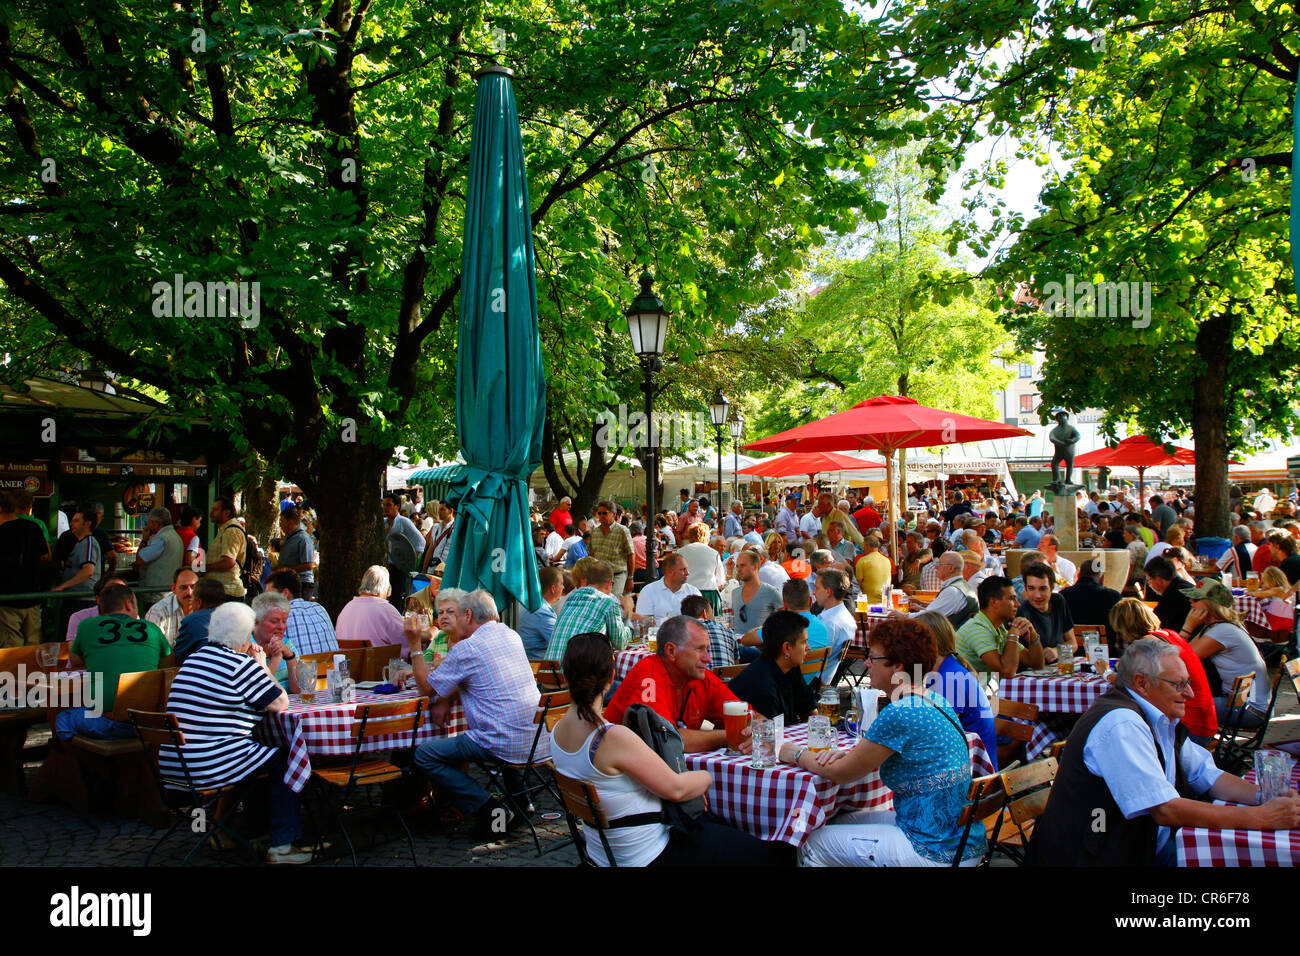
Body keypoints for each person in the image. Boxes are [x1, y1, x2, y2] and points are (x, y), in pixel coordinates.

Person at [1026, 638, 1300, 866]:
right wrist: (1260, 817)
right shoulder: (1122, 723)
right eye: (1179, 684)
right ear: (1142, 683)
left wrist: (1266, 797)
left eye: (1188, 682)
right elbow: (1165, 810)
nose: (1190, 693)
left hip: (1137, 847)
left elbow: (1206, 774)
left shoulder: (1157, 718)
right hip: (1096, 858)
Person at [548, 634, 793, 867]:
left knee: (721, 831)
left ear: (566, 676)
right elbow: (676, 789)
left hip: (605, 852)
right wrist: (707, 777)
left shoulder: (556, 732)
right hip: (650, 852)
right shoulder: (611, 737)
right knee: (774, 853)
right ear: (612, 677)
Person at [789, 617, 985, 866]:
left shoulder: (901, 711)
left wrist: (794, 754)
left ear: (897, 666)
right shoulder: (935, 700)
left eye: (874, 658)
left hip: (933, 849)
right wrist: (848, 758)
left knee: (810, 843)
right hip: (959, 839)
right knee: (836, 820)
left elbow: (841, 774)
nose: (867, 664)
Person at [159, 601, 313, 864]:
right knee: (287, 758)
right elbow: (281, 703)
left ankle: (252, 831)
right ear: (244, 636)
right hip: (210, 765)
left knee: (260, 753)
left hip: (174, 765)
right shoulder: (239, 664)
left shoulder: (194, 659)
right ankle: (282, 846)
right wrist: (262, 665)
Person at [409, 589, 541, 838]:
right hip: (536, 739)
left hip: (501, 742)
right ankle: (521, 802)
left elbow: (427, 688)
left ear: (468, 615)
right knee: (505, 722)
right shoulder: (512, 635)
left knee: (424, 754)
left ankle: (491, 808)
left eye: (456, 614)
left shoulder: (468, 648)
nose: (453, 619)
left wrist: (415, 643)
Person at [605, 615, 741, 751]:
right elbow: (666, 740)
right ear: (671, 651)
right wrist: (730, 736)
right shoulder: (649, 676)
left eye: (707, 649)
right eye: (699, 649)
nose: (708, 658)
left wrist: (746, 732)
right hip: (616, 767)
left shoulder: (702, 678)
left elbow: (750, 720)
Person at [57, 583, 172, 741]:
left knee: (63, 718)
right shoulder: (151, 628)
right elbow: (168, 665)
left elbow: (75, 660)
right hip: (151, 725)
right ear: (128, 604)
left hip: (106, 722)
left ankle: (84, 764)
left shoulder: (86, 626)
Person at [1107, 598, 1217, 741]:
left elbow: (1127, 681)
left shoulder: (1147, 645)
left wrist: (1106, 672)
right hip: (1205, 720)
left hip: (1188, 728)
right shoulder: (1169, 634)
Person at [1180, 581, 1270, 730]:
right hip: (1245, 703)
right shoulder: (1220, 627)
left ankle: (1192, 748)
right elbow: (1183, 653)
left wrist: (1187, 627)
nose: (1190, 601)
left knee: (1180, 704)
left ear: (1210, 604)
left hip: (1247, 709)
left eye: (1195, 599)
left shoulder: (1222, 631)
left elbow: (1180, 660)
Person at [917, 610, 998, 769]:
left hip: (974, 773)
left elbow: (941, 733)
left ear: (929, 645)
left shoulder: (951, 677)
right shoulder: (946, 668)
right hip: (964, 761)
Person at [727, 609, 817, 723]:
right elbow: (770, 733)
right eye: (804, 642)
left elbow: (809, 711)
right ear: (787, 648)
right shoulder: (761, 683)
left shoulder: (790, 667)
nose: (808, 647)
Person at [955, 576, 1043, 680]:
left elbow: (1037, 666)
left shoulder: (998, 628)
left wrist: (1033, 637)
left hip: (987, 691)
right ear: (994, 602)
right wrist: (1013, 634)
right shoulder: (976, 629)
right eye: (1012, 599)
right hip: (969, 693)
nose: (1018, 604)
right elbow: (1007, 671)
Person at [547, 560, 632, 660]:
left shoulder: (571, 597)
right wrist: (628, 613)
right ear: (609, 584)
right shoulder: (607, 601)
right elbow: (620, 642)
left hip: (550, 671)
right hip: (575, 672)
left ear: (587, 581)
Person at [0, 489, 50, 647]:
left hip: (7, 601)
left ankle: (18, 673)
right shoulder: (33, 527)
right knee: (33, 647)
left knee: (12, 650)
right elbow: (45, 556)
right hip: (32, 598)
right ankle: (31, 673)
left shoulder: (2, 532)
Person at [334, 564, 407, 652]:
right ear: (387, 588)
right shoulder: (386, 610)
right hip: (377, 663)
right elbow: (407, 644)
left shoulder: (347, 607)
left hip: (348, 662)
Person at [1015, 561, 1077, 664]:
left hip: (1054, 669)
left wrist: (1057, 651)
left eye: (1043, 589)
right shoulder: (1022, 612)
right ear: (1025, 588)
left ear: (1052, 588)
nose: (1037, 595)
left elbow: (1073, 643)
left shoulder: (1058, 601)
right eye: (1031, 589)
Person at [134, 506, 184, 609]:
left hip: (157, 594)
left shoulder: (162, 539)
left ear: (156, 523)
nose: (148, 525)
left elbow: (140, 560)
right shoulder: (175, 536)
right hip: (168, 591)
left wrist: (144, 540)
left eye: (150, 522)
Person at [731, 550, 782, 650]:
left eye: (743, 565)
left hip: (760, 649)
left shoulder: (771, 592)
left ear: (755, 567)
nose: (739, 569)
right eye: (737, 566)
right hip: (737, 649)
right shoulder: (734, 593)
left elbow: (784, 619)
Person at [812, 568, 855, 684]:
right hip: (820, 678)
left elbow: (808, 659)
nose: (814, 592)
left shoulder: (830, 623)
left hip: (812, 682)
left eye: (817, 588)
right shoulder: (841, 616)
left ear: (828, 592)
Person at [635, 552, 702, 624]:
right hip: (658, 634)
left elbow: (701, 621)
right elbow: (644, 623)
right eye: (683, 569)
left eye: (686, 569)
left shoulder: (693, 592)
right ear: (670, 572)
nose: (687, 573)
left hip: (687, 634)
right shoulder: (648, 591)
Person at [173, 576, 228, 662]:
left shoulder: (191, 620)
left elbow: (178, 657)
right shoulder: (237, 616)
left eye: (193, 599)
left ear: (199, 603)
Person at [676, 521, 725, 613]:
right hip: (709, 595)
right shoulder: (714, 553)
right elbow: (720, 581)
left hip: (686, 595)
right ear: (707, 536)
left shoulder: (680, 552)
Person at [589, 501, 635, 598]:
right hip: (599, 576)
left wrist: (630, 578)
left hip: (618, 574)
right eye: (599, 513)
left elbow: (631, 555)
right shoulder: (595, 532)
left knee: (613, 600)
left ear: (613, 514)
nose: (601, 516)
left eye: (604, 513)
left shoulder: (622, 530)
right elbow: (591, 555)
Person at [518, 566, 564, 659]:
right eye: (561, 584)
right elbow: (560, 644)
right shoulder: (542, 612)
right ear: (553, 589)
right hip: (539, 669)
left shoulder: (532, 604)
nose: (563, 587)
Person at [1060, 556, 1121, 628]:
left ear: (1078, 574)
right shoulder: (1112, 596)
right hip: (1104, 638)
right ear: (1102, 578)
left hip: (1071, 638)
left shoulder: (1063, 595)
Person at [144, 567, 198, 647]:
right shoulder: (158, 612)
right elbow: (151, 647)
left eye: (193, 587)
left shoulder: (207, 608)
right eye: (183, 587)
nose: (189, 592)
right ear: (173, 589)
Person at [205, 496, 246, 599]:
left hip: (227, 591)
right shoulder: (225, 530)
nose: (212, 513)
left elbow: (228, 562)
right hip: (223, 590)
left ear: (226, 513)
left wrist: (205, 568)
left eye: (215, 510)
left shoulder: (231, 531)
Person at [273, 507, 317, 600]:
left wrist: (284, 569)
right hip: (289, 582)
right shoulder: (289, 538)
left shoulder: (303, 539)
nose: (280, 524)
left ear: (290, 522)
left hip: (302, 584)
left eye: (282, 521)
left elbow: (308, 565)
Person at [1144, 555, 1196, 633]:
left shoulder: (1171, 595)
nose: (1149, 585)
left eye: (1149, 580)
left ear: (1159, 580)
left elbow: (1153, 623)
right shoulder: (1184, 585)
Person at [854, 534, 891, 602]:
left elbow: (858, 585)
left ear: (867, 546)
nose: (863, 548)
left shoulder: (863, 561)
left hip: (869, 602)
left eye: (864, 546)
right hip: (885, 601)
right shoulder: (887, 560)